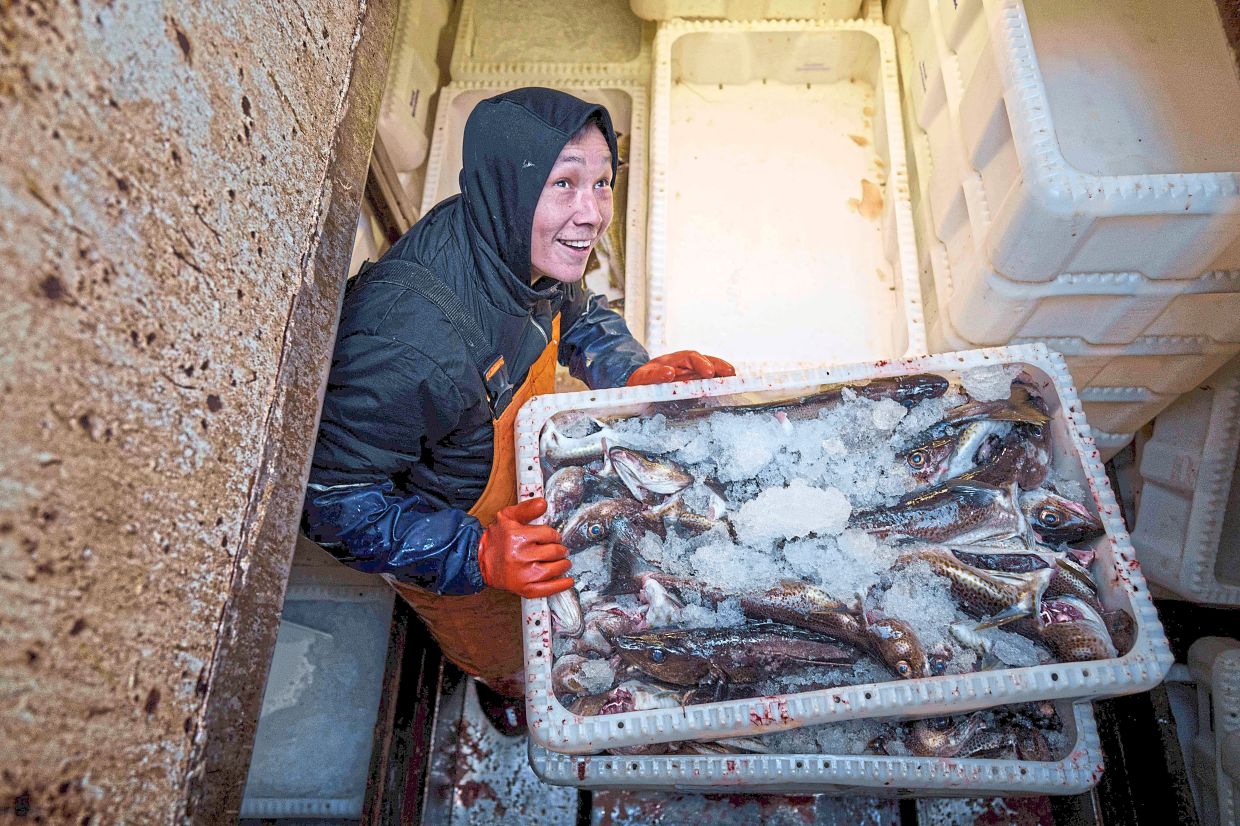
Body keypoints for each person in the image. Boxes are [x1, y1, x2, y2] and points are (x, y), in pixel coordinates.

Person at [301, 88, 734, 735]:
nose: (591, 214)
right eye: (564, 184)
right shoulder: (407, 341)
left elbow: (579, 315)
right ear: (510, 185)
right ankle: (505, 688)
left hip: (530, 477)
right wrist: (474, 554)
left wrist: (631, 370)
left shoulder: (524, 236)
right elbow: (325, 497)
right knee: (495, 641)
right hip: (457, 536)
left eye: (601, 183)